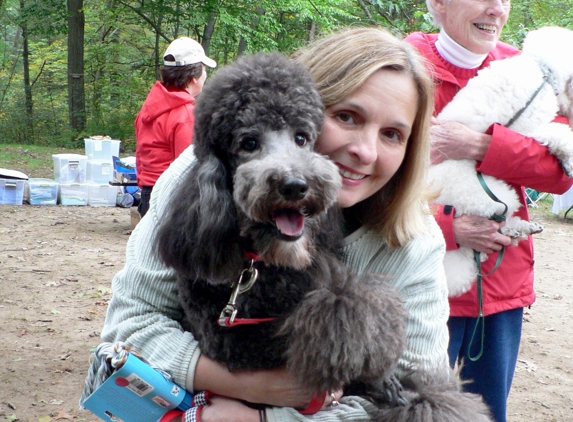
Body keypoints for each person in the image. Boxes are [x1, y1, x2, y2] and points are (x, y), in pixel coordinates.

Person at [100, 27, 450, 421]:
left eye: (392, 134)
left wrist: (265, 419)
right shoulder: (198, 178)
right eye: (347, 117)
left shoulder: (415, 241)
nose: (365, 151)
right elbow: (131, 323)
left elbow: (414, 394)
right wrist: (248, 387)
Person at [404, 1, 573, 421]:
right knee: (408, 409)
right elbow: (370, 179)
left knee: (488, 411)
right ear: (437, 4)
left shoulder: (525, 70)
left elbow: (561, 174)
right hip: (417, 281)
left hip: (499, 284)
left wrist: (478, 145)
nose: (496, 8)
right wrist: (448, 228)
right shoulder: (400, 67)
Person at [134, 36, 216, 217]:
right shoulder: (185, 114)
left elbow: (140, 156)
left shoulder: (150, 106)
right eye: (204, 70)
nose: (205, 75)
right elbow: (188, 169)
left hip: (147, 194)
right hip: (169, 197)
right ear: (194, 77)